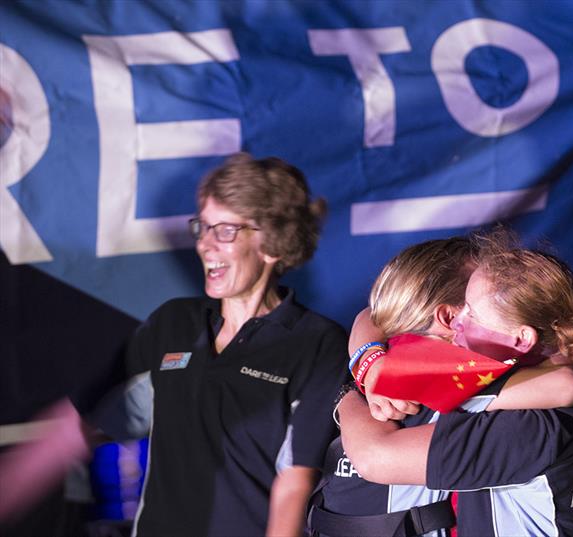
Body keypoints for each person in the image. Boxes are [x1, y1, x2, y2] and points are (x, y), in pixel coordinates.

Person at [0, 153, 349, 537]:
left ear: (274, 243)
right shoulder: (173, 323)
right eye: (202, 227)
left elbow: (293, 484)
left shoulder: (317, 343)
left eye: (225, 231)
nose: (205, 245)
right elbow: (84, 421)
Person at [307, 235, 573, 536]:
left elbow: (375, 457)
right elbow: (369, 316)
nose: (457, 321)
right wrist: (369, 361)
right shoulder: (421, 368)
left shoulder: (529, 420)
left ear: (522, 337)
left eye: (471, 311)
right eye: (462, 308)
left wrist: (347, 395)